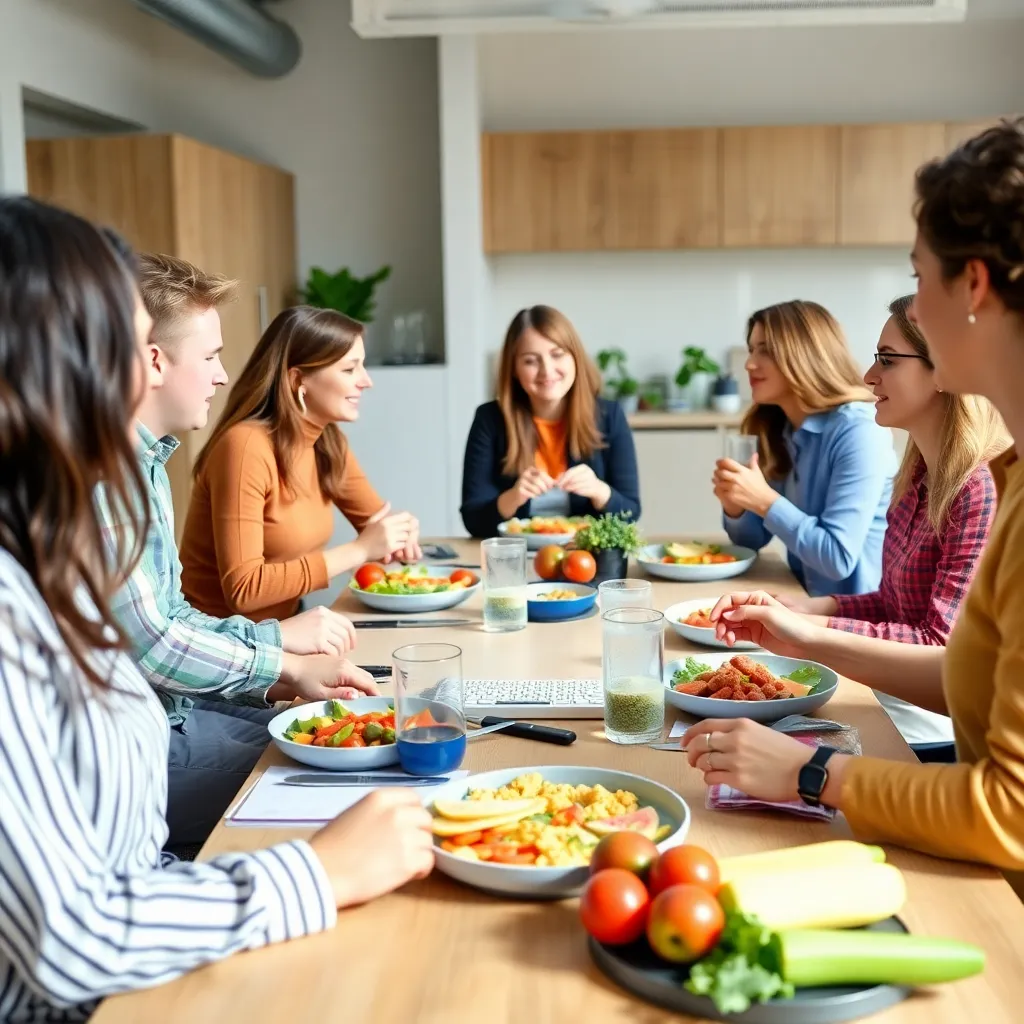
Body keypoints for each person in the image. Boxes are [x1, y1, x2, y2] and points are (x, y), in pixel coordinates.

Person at [0, 196, 434, 1022]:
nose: (145, 375)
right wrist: (318, 872)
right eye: (128, 348)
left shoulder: (55, 545)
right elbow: (74, 938)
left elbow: (123, 861)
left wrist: (282, 671)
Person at [686, 119, 1024, 885]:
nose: (913, 307)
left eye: (918, 275)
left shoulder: (988, 487)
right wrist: (803, 631)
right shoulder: (1003, 477)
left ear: (972, 285)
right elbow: (964, 672)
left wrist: (810, 772)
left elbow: (1010, 812)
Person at [96, 252, 373, 848]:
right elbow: (155, 646)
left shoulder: (147, 464)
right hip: (128, 743)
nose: (222, 376)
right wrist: (284, 664)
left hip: (170, 706)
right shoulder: (106, 477)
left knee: (338, 733)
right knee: (339, 779)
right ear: (154, 361)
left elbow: (172, 617)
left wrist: (278, 667)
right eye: (210, 357)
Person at [773, 295, 1008, 751]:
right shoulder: (917, 475)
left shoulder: (980, 490)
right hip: (887, 700)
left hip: (938, 733)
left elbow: (938, 644)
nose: (868, 375)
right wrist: (811, 609)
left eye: (888, 359)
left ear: (944, 370)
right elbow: (893, 605)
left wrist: (809, 633)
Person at [179, 306, 421, 622]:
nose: (366, 381)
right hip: (220, 638)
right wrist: (360, 550)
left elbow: (376, 525)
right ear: (298, 380)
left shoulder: (327, 443)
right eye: (350, 370)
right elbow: (244, 590)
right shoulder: (245, 447)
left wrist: (398, 534)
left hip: (286, 625)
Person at [712, 300, 897, 597]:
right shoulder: (782, 429)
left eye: (765, 350)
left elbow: (837, 558)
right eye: (751, 350)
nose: (749, 364)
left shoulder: (859, 430)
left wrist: (763, 500)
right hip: (803, 604)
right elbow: (751, 541)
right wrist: (736, 505)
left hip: (856, 617)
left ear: (805, 354)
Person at [461, 305, 640, 537]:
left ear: (575, 358)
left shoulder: (609, 415)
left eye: (557, 355)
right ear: (514, 369)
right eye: (530, 361)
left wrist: (599, 491)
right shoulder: (490, 420)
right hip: (517, 553)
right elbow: (473, 520)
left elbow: (630, 513)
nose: (547, 370)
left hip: (584, 554)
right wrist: (513, 497)